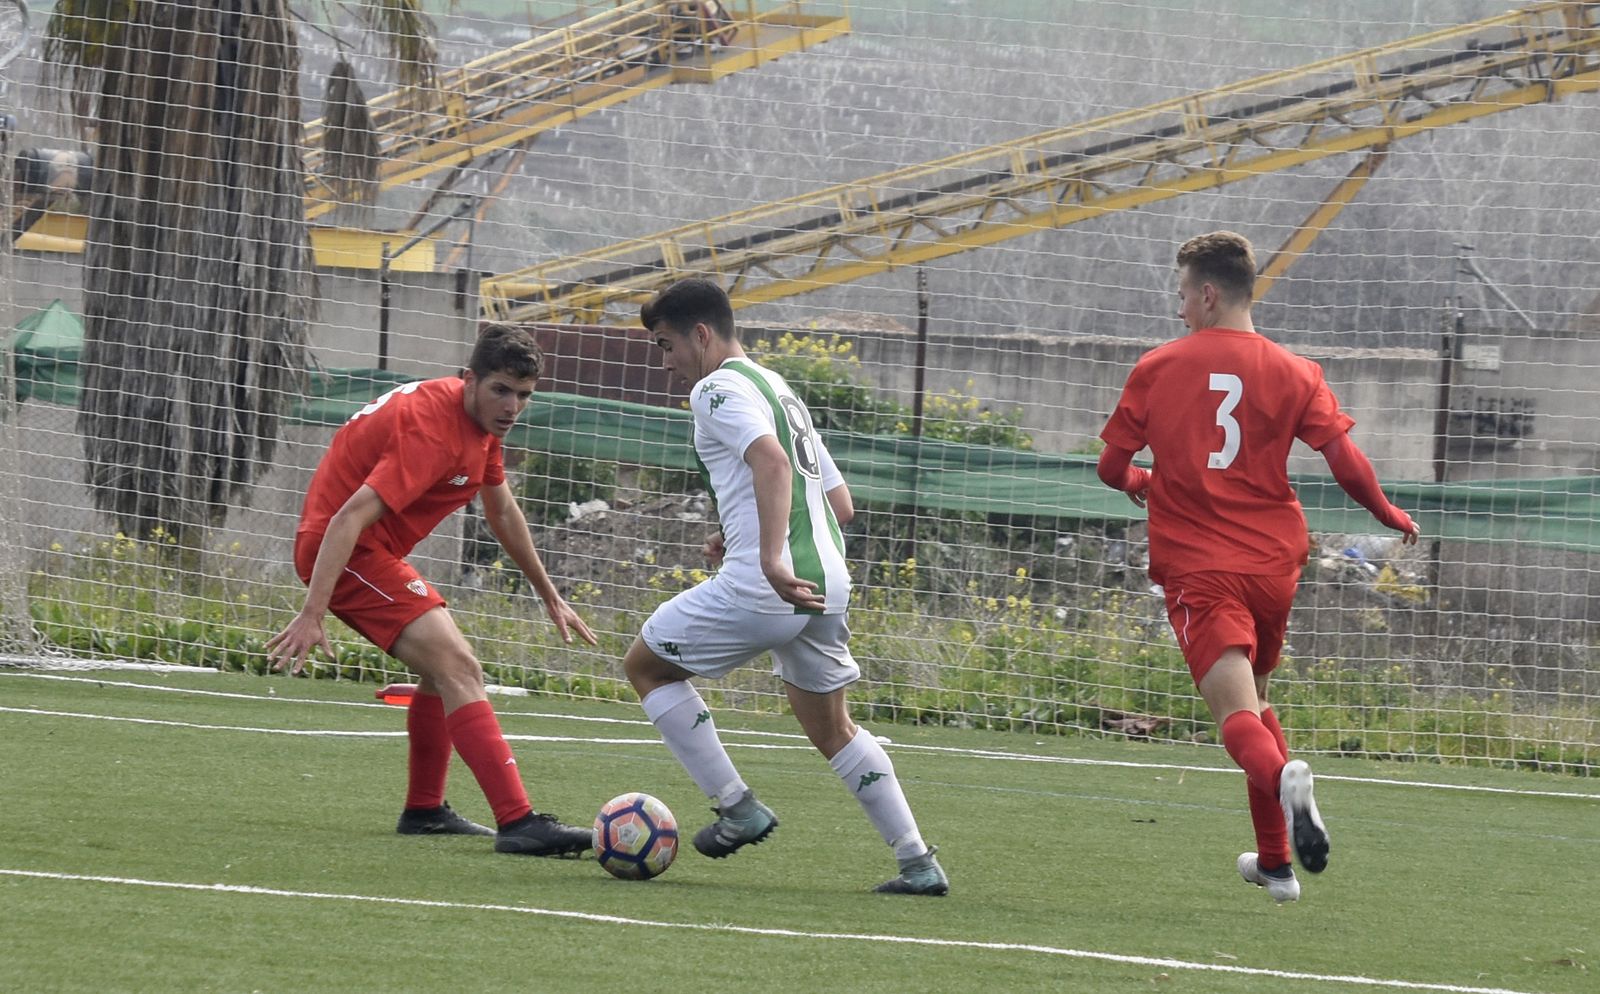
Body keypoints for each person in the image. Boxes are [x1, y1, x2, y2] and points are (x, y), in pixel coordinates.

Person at [1097, 231, 1420, 903]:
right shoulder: (1296, 371)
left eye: (1183, 294)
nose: (1180, 307)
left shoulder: (1158, 366)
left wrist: (1139, 477)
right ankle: (1275, 863)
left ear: (1208, 294)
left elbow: (1109, 467)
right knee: (1259, 705)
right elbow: (1344, 460)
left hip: (1200, 565)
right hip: (1274, 563)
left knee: (1236, 718)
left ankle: (1287, 789)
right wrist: (1386, 512)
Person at [625, 278, 948, 896]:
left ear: (700, 334)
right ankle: (917, 862)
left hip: (768, 585)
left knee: (647, 667)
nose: (666, 365)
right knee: (834, 730)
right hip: (827, 582)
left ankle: (736, 805)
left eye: (667, 347)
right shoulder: (778, 387)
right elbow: (838, 502)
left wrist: (767, 556)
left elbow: (770, 462)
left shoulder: (716, 387)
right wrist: (745, 531)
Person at [265, 324, 599, 857]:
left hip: (370, 551)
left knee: (441, 671)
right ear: (469, 379)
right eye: (501, 390)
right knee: (460, 666)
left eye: (524, 395)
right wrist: (312, 613)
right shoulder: (433, 434)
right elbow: (346, 519)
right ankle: (519, 822)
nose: (513, 406)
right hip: (346, 551)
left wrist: (550, 593)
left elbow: (502, 509)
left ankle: (424, 810)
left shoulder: (479, 425)